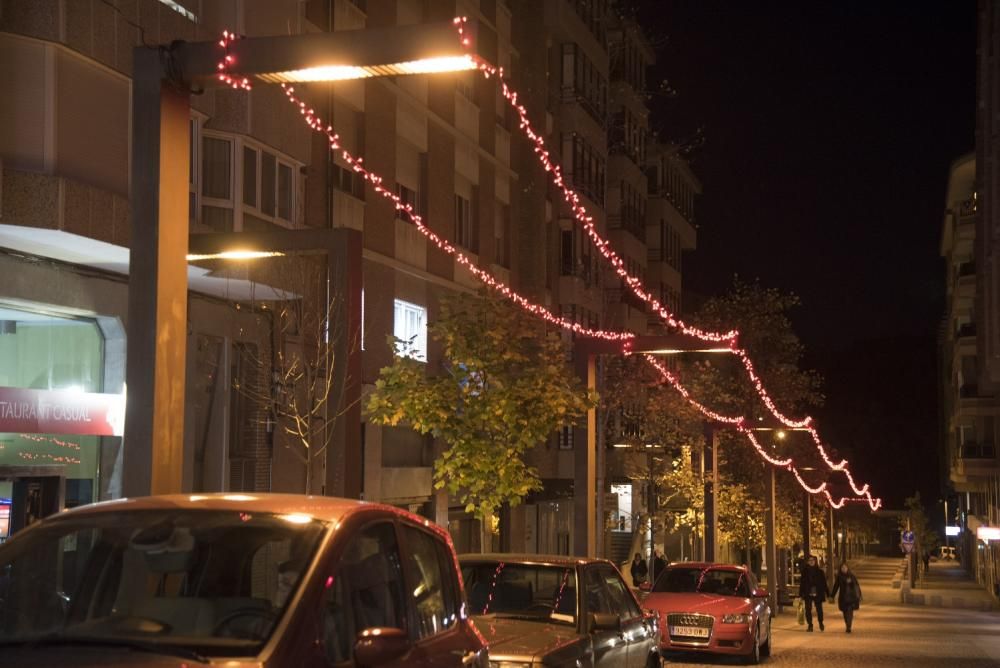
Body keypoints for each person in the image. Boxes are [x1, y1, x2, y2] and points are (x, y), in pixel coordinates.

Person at [798, 554, 829, 632]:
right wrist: (801, 594)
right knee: (808, 609)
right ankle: (810, 625)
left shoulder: (820, 572)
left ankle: (820, 622)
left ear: (815, 561)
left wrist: (828, 594)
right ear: (808, 562)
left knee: (819, 609)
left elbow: (824, 583)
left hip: (818, 592)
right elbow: (802, 583)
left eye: (813, 560)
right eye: (810, 561)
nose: (811, 562)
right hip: (807, 592)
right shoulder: (804, 572)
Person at [829, 561, 862, 633]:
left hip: (851, 597)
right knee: (844, 613)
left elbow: (857, 586)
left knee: (850, 612)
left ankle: (849, 626)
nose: (844, 569)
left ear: (847, 568)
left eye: (845, 567)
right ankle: (847, 624)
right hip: (843, 597)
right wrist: (832, 596)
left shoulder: (852, 576)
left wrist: (859, 595)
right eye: (842, 568)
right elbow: (836, 587)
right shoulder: (839, 577)